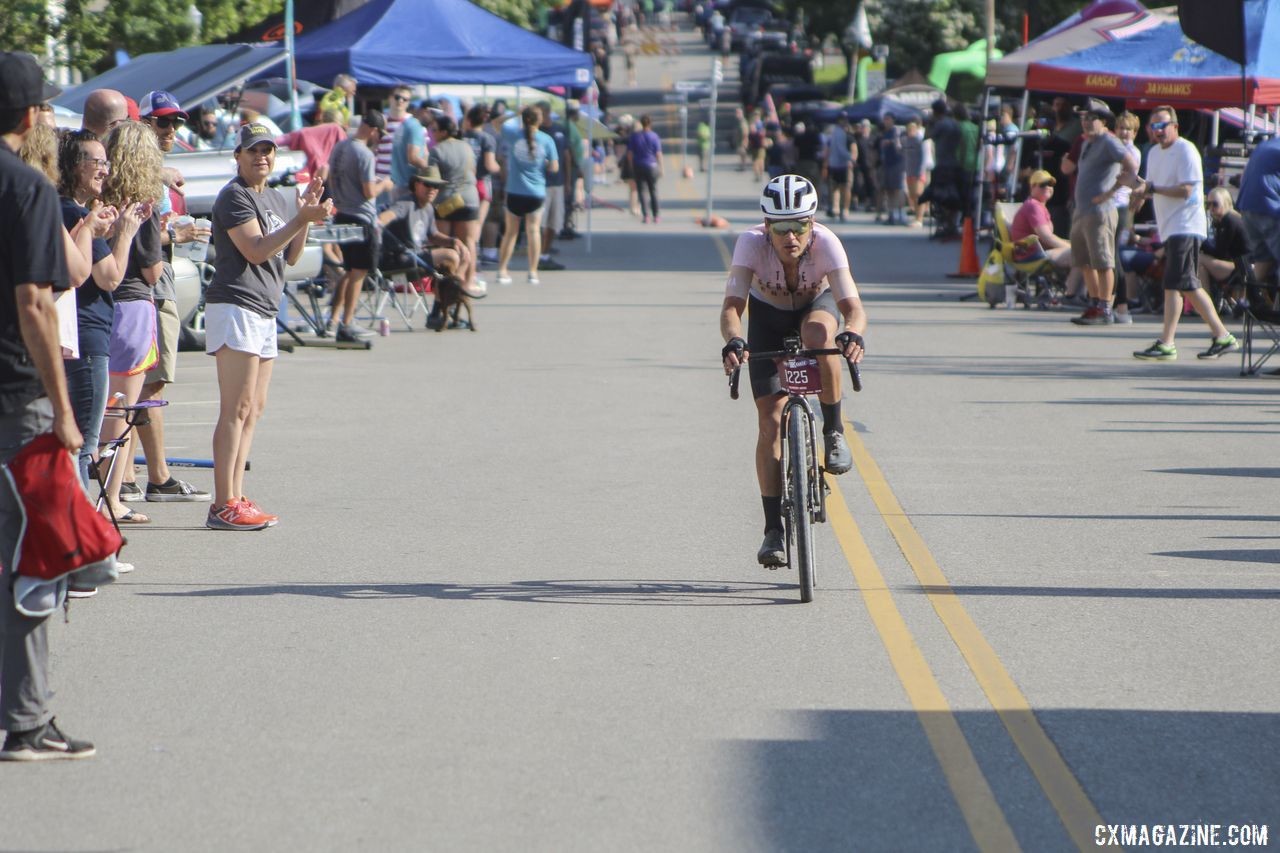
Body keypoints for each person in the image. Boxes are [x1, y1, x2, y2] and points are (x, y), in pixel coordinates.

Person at [0, 50, 95, 761]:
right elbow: (34, 301)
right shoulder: (25, 189)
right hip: (15, 400)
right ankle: (27, 719)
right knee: (33, 562)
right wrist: (63, 409)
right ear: (32, 115)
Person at [718, 174, 867, 567]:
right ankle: (773, 530)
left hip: (813, 308)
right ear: (766, 226)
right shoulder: (750, 244)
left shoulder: (827, 243)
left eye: (799, 225)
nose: (791, 236)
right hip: (768, 317)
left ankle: (833, 431)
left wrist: (852, 333)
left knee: (820, 332)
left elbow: (853, 309)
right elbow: (733, 308)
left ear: (811, 222)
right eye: (781, 227)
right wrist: (734, 341)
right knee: (769, 422)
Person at [205, 123, 332, 529]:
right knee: (235, 407)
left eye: (267, 150)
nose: (261, 157)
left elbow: (290, 257)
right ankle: (222, 502)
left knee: (254, 409)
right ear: (237, 156)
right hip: (236, 305)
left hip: (263, 309)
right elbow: (256, 252)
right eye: (252, 150)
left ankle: (237, 495)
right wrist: (301, 219)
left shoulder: (275, 197)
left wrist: (304, 215)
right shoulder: (233, 196)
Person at [135, 91, 213, 504]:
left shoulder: (154, 169)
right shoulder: (142, 170)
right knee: (150, 381)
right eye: (162, 122)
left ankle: (130, 475)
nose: (170, 130)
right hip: (149, 278)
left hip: (156, 274)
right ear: (143, 123)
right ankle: (156, 478)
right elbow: (135, 233)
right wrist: (175, 234)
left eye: (175, 123)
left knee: (142, 381)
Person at [58, 131, 146, 494]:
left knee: (71, 440)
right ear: (76, 166)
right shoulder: (74, 212)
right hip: (87, 335)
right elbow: (109, 277)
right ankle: (80, 538)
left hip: (67, 334)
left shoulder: (67, 212)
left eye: (106, 162)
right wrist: (125, 232)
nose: (105, 171)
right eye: (98, 162)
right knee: (84, 443)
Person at [1125, 106, 1238, 361]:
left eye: (1163, 125)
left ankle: (1213, 337)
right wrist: (1136, 193)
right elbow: (1151, 188)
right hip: (1170, 227)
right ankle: (1176, 341)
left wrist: (1150, 188)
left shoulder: (1186, 150)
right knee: (1178, 284)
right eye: (1154, 126)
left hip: (1186, 225)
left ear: (1175, 126)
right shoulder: (1153, 153)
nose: (1158, 131)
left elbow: (1186, 190)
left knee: (1183, 283)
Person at [1065, 99, 1138, 326]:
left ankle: (1106, 307)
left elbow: (1131, 164)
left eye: (1091, 118)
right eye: (1083, 118)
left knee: (1104, 260)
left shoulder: (1109, 141)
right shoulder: (1088, 142)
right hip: (1082, 210)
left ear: (1103, 121)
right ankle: (1096, 303)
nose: (1086, 122)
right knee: (1084, 260)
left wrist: (1111, 192)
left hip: (1100, 211)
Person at [327, 110, 393, 343]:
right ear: (373, 130)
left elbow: (332, 180)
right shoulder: (364, 153)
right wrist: (383, 185)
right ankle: (347, 323)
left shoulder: (339, 147)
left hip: (342, 212)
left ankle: (334, 319)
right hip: (360, 217)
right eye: (379, 134)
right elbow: (368, 192)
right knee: (359, 273)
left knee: (349, 270)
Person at [377, 165, 467, 329]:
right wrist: (379, 222)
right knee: (451, 256)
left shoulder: (429, 208)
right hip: (398, 260)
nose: (432, 189)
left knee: (452, 259)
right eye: (428, 184)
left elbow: (433, 235)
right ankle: (445, 309)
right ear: (417, 184)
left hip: (416, 258)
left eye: (436, 186)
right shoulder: (406, 203)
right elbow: (389, 214)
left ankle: (441, 312)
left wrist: (454, 241)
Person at [497, 106, 558, 286]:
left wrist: (514, 113)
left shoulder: (513, 134)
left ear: (523, 120)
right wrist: (544, 164)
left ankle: (502, 270)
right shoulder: (547, 140)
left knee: (510, 233)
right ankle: (532, 272)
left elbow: (495, 122)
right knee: (533, 231)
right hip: (536, 192)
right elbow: (554, 168)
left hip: (515, 190)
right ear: (540, 121)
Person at [1198, 187, 1251, 315]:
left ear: (1226, 203)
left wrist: (1201, 241)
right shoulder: (1225, 221)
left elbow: (1219, 253)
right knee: (1200, 267)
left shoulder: (1230, 221)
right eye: (1208, 204)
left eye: (1215, 204)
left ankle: (1207, 307)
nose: (1211, 208)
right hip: (1234, 265)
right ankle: (1208, 305)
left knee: (1198, 257)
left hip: (1241, 269)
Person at [1235, 134, 1280, 285]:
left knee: (1263, 260)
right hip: (1269, 208)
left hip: (1247, 209)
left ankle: (1247, 302)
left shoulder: (1267, 145)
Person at [1010, 169, 1072, 269]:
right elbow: (1047, 238)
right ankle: (1074, 285)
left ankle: (1075, 284)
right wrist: (1070, 247)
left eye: (1051, 184)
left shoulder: (1038, 206)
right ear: (1032, 187)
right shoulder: (1033, 206)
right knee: (1081, 256)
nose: (1048, 187)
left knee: (1083, 254)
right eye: (1043, 184)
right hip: (1031, 256)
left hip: (1036, 252)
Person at [276, 107, 348, 184]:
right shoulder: (341, 134)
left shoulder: (333, 130)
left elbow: (284, 139)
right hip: (333, 181)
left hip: (315, 179)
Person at [626, 114, 663, 224]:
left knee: (642, 191)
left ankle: (646, 215)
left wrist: (631, 166)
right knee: (653, 191)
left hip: (639, 165)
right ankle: (656, 215)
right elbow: (658, 153)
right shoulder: (654, 136)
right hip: (652, 165)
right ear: (650, 124)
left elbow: (629, 154)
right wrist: (661, 167)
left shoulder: (635, 136)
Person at [822, 114, 855, 222]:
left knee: (842, 188)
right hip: (837, 164)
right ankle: (839, 209)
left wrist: (852, 160)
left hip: (840, 164)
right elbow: (833, 149)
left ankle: (842, 209)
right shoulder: (836, 134)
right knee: (838, 187)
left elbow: (853, 149)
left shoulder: (846, 135)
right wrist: (826, 164)